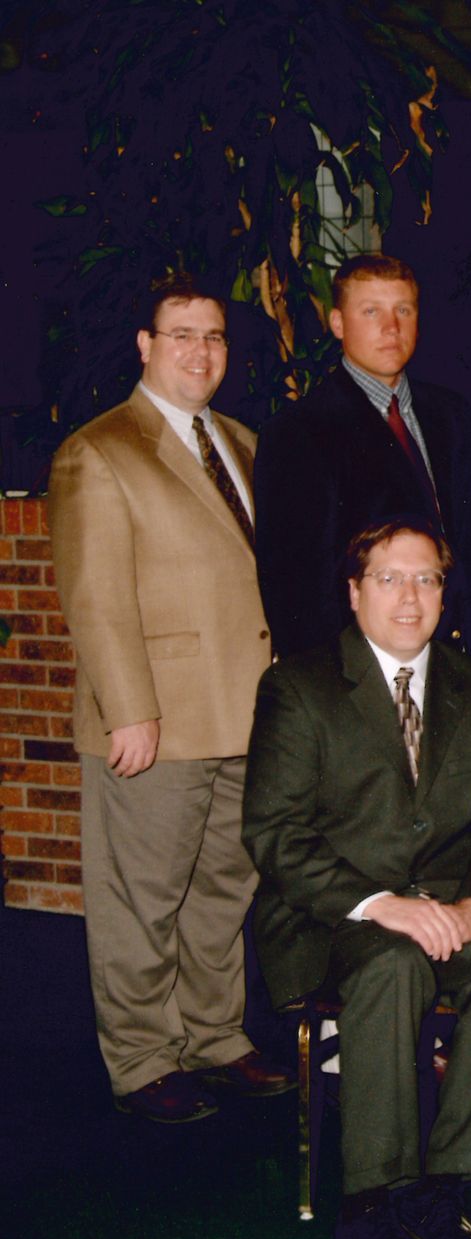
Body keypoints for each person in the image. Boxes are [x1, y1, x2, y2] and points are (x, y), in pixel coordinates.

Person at [243, 521, 471, 1239]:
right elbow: (273, 835)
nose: (410, 598)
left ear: (446, 592)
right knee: (393, 965)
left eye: (427, 580)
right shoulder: (301, 686)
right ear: (354, 591)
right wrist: (381, 904)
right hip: (331, 917)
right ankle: (368, 1207)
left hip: (446, 908)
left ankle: (440, 1189)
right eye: (389, 579)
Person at [47, 273, 290, 1123]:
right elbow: (95, 596)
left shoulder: (244, 442)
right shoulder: (100, 449)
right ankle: (145, 1057)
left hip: (246, 714)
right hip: (156, 717)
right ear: (146, 347)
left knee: (223, 888)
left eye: (215, 337)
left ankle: (214, 1036)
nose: (201, 351)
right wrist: (128, 710)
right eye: (182, 334)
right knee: (142, 897)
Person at [253, 254, 471, 658]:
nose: (391, 327)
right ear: (338, 323)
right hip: (367, 672)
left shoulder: (456, 416)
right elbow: (296, 590)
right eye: (371, 311)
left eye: (403, 310)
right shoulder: (298, 433)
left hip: (465, 668)